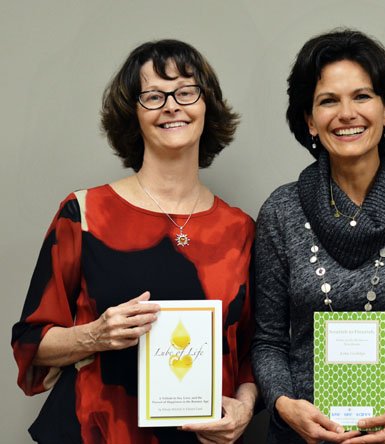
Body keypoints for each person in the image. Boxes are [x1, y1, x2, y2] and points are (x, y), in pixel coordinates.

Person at [11, 39, 257, 444]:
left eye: (186, 91)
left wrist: (245, 408)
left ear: (206, 105)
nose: (171, 105)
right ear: (133, 115)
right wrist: (94, 335)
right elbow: (29, 342)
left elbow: (250, 351)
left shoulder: (240, 228)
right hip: (97, 432)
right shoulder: (84, 213)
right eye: (153, 96)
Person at [251, 29, 385, 444]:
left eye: (362, 97)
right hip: (305, 434)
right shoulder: (281, 211)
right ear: (309, 120)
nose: (347, 113)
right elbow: (268, 340)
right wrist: (284, 404)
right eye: (329, 100)